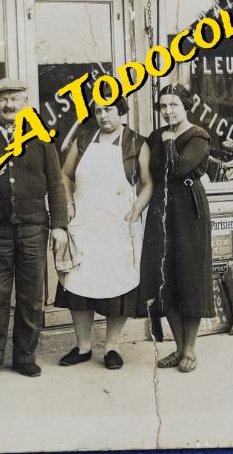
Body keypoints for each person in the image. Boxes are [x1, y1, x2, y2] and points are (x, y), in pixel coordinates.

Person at [0, 77, 69, 379]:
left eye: (14, 99)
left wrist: (60, 225)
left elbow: (55, 182)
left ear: (24, 102)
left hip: (33, 229)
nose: (9, 105)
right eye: (2, 100)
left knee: (31, 296)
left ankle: (25, 355)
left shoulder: (40, 137)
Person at [55, 95, 151, 370]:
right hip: (85, 223)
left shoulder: (136, 142)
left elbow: (147, 183)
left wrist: (137, 208)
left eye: (109, 110)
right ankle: (83, 346)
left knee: (117, 285)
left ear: (122, 112)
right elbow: (65, 175)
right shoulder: (84, 139)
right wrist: (70, 204)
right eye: (98, 111)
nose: (103, 116)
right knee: (78, 284)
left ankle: (112, 346)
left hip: (119, 224)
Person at [138, 84, 214, 373]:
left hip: (189, 210)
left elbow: (179, 168)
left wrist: (170, 141)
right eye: (163, 106)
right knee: (164, 278)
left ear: (186, 106)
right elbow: (150, 169)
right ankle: (179, 347)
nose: (168, 111)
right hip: (162, 210)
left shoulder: (198, 136)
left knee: (190, 277)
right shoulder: (155, 136)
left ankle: (191, 350)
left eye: (174, 105)